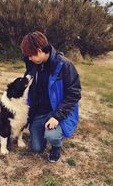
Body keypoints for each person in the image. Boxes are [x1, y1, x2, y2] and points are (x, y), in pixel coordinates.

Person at [21, 31, 81, 162]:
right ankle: (42, 129)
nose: (29, 58)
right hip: (39, 111)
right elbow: (27, 83)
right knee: (36, 148)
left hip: (56, 111)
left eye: (31, 55)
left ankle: (56, 146)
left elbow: (74, 94)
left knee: (52, 136)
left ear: (40, 50)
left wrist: (57, 116)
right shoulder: (32, 63)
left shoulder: (65, 65)